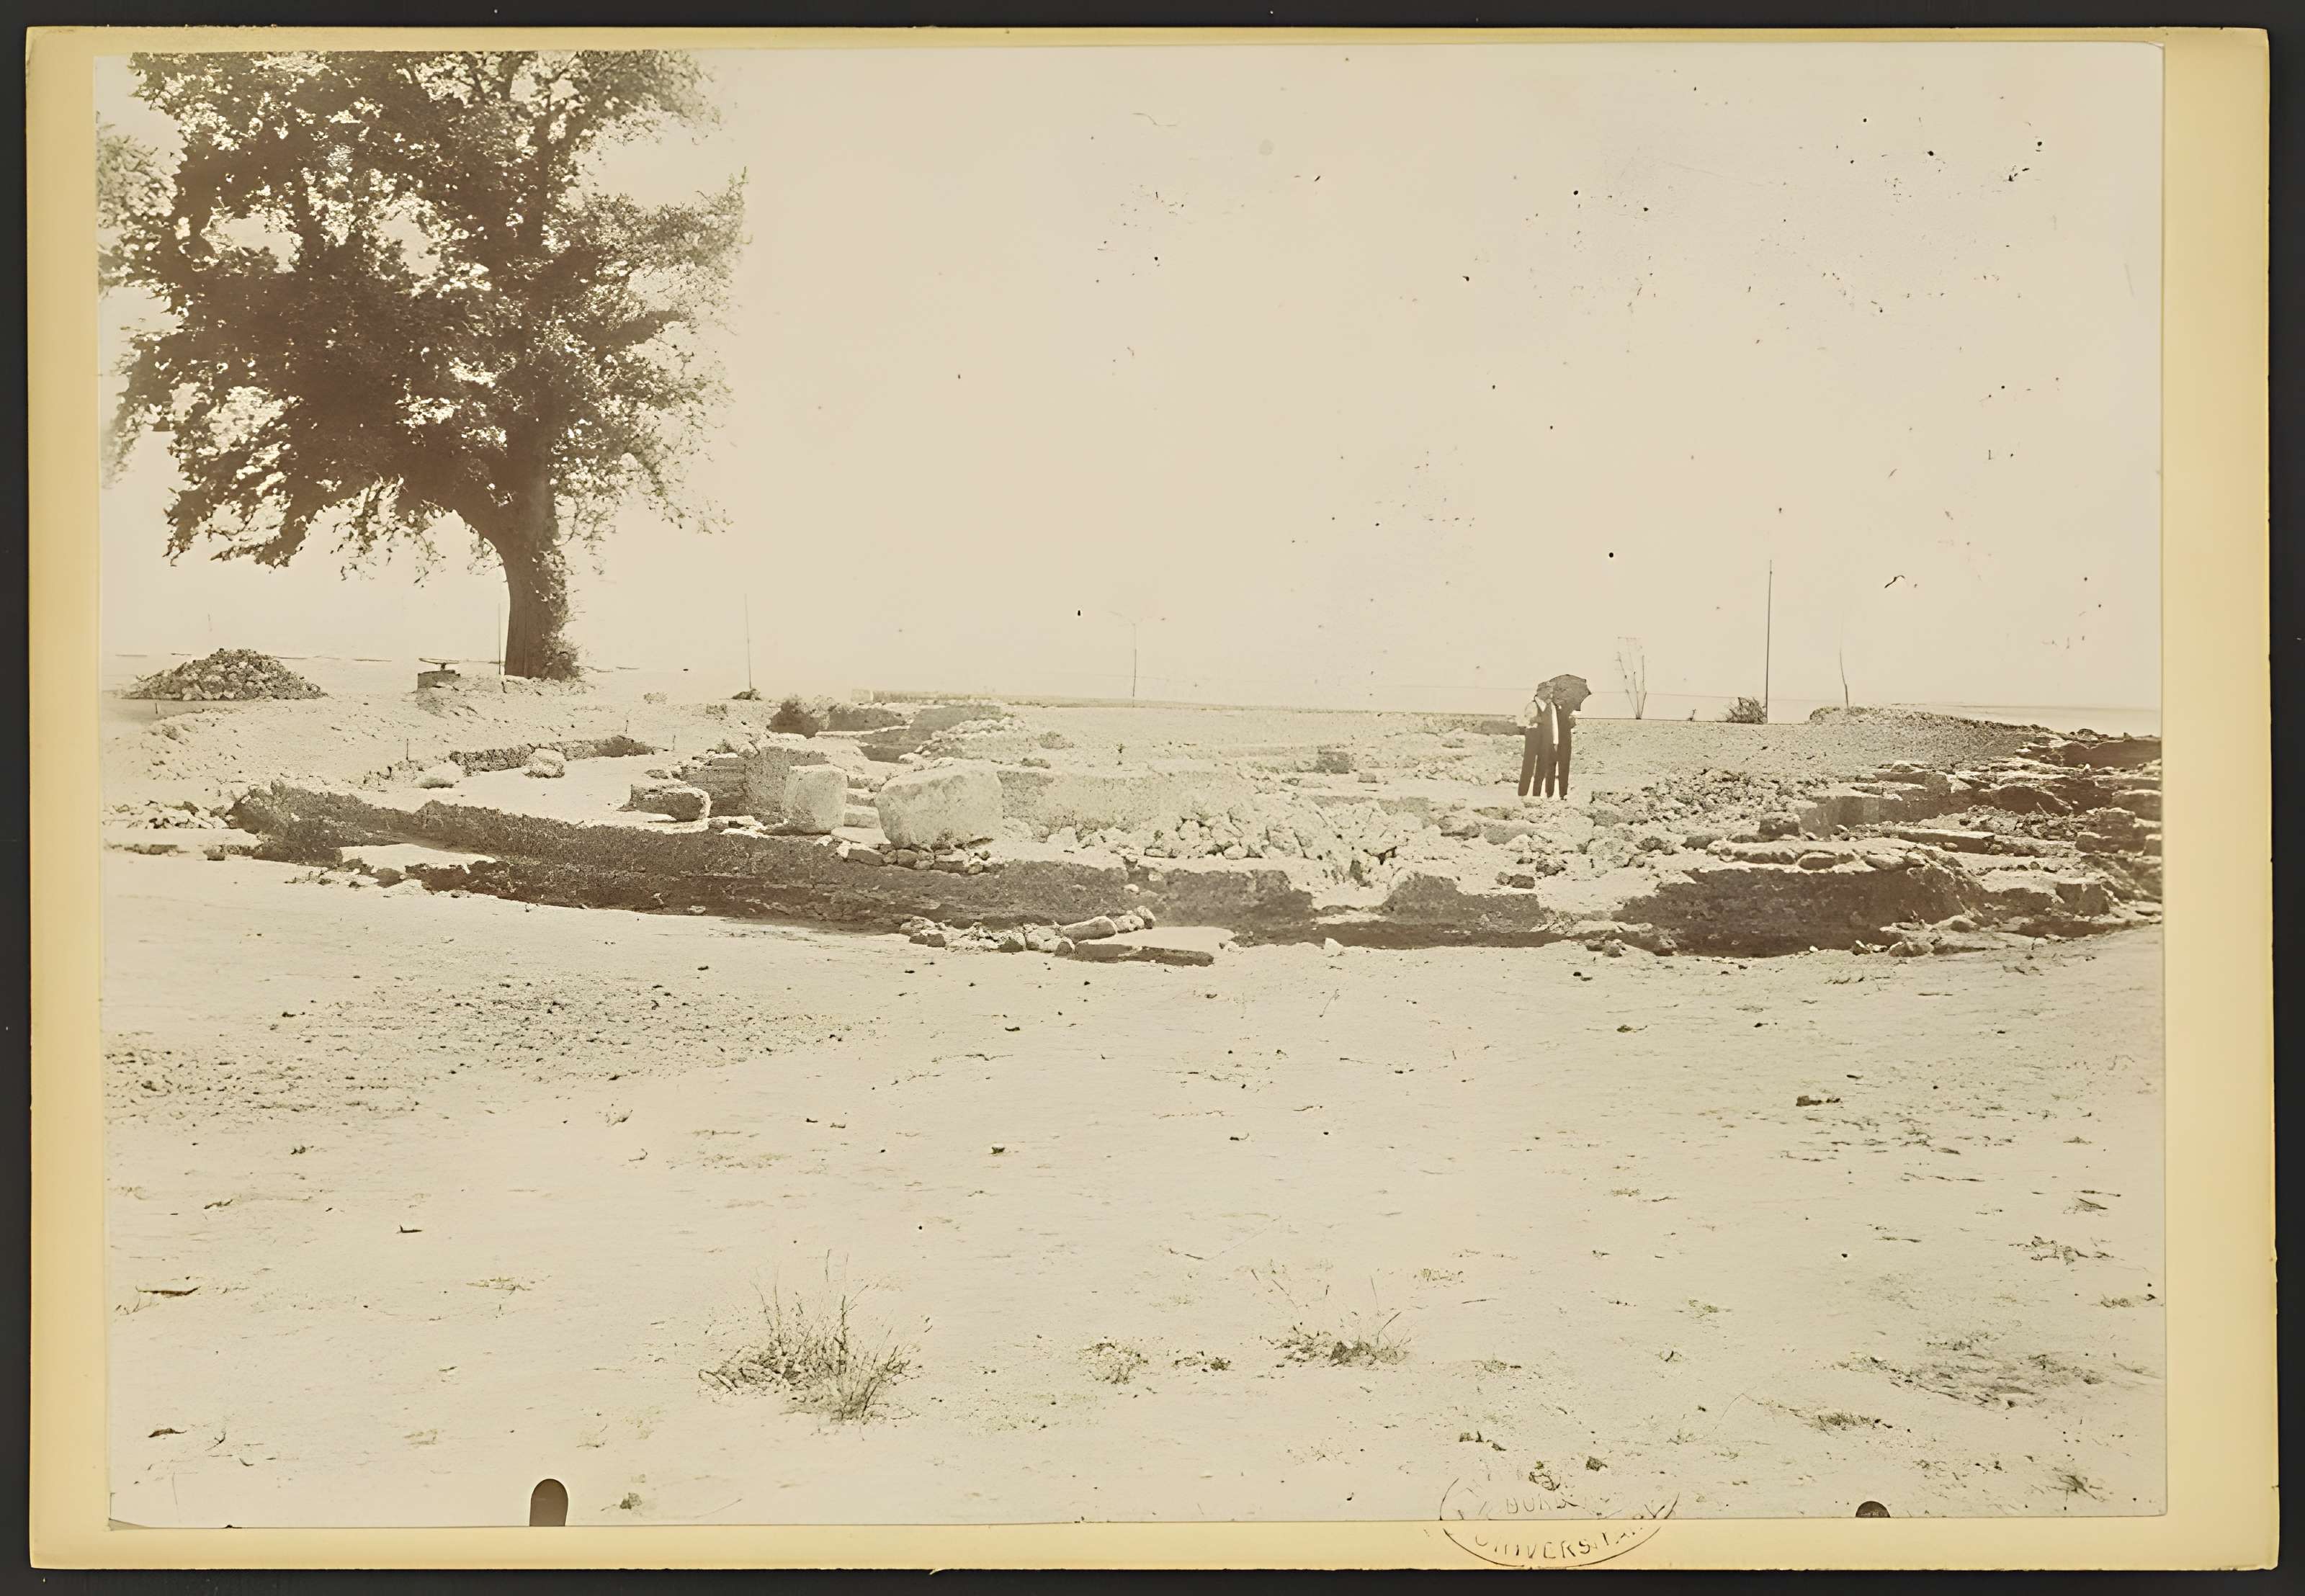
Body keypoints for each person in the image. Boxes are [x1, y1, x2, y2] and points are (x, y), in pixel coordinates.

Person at [1516, 686, 1557, 799]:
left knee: (1542, 765)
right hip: (1534, 737)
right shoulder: (1532, 705)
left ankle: (1536, 794)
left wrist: (1554, 741)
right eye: (1549, 692)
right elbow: (1523, 721)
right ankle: (1522, 793)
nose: (1551, 695)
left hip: (1547, 738)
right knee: (1528, 764)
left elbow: (1554, 724)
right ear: (1540, 692)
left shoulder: (1550, 707)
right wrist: (1534, 720)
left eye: (1551, 692)